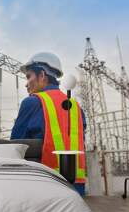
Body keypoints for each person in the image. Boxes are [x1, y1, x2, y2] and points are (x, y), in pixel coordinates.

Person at [11, 52, 87, 195]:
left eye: (29, 77)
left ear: (42, 75)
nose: (26, 84)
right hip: (76, 184)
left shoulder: (32, 102)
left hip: (44, 182)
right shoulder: (76, 107)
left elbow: (14, 146)